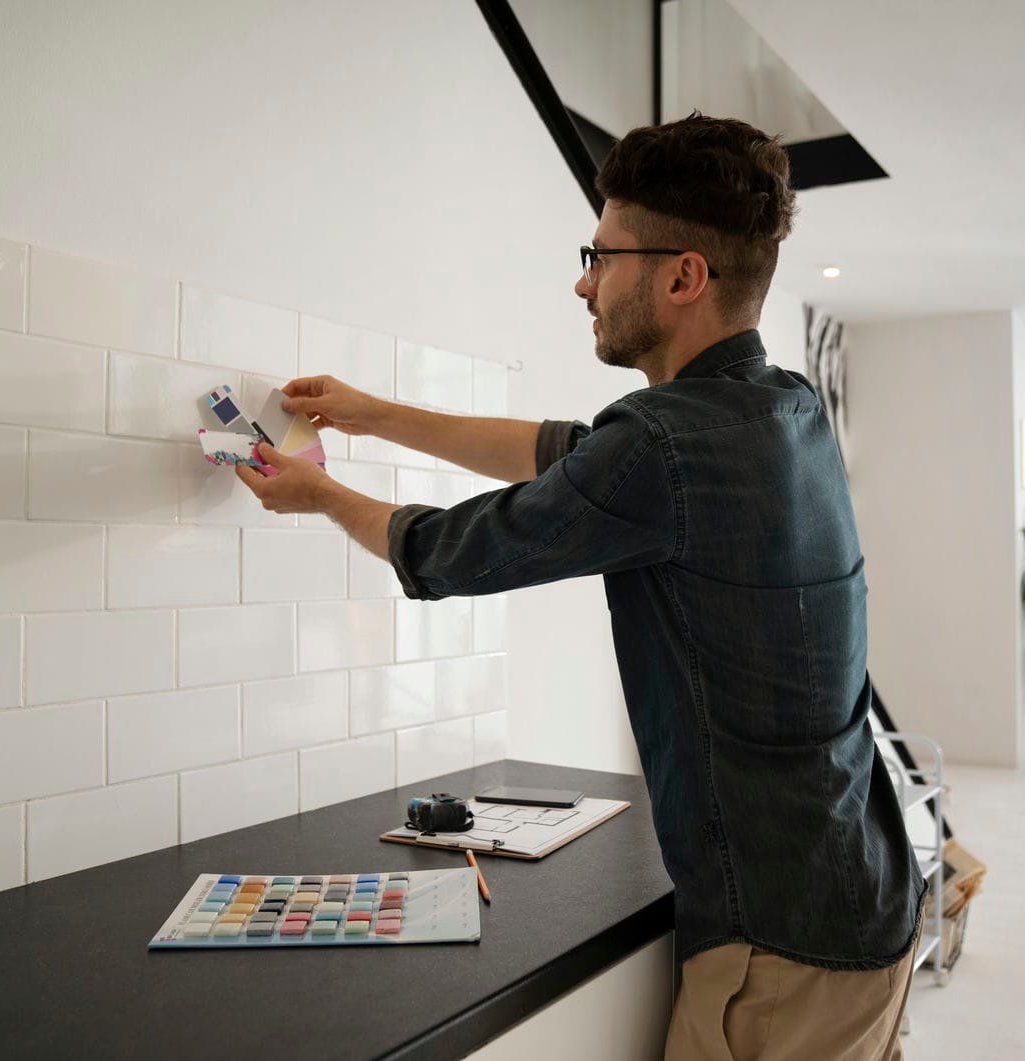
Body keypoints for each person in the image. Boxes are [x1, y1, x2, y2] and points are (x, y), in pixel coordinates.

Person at [237, 112, 924, 1060]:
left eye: (600, 253)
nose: (583, 278)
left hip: (782, 946)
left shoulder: (665, 444)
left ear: (682, 275)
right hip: (866, 895)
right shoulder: (785, 405)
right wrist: (374, 414)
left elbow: (447, 551)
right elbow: (569, 452)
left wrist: (316, 494)